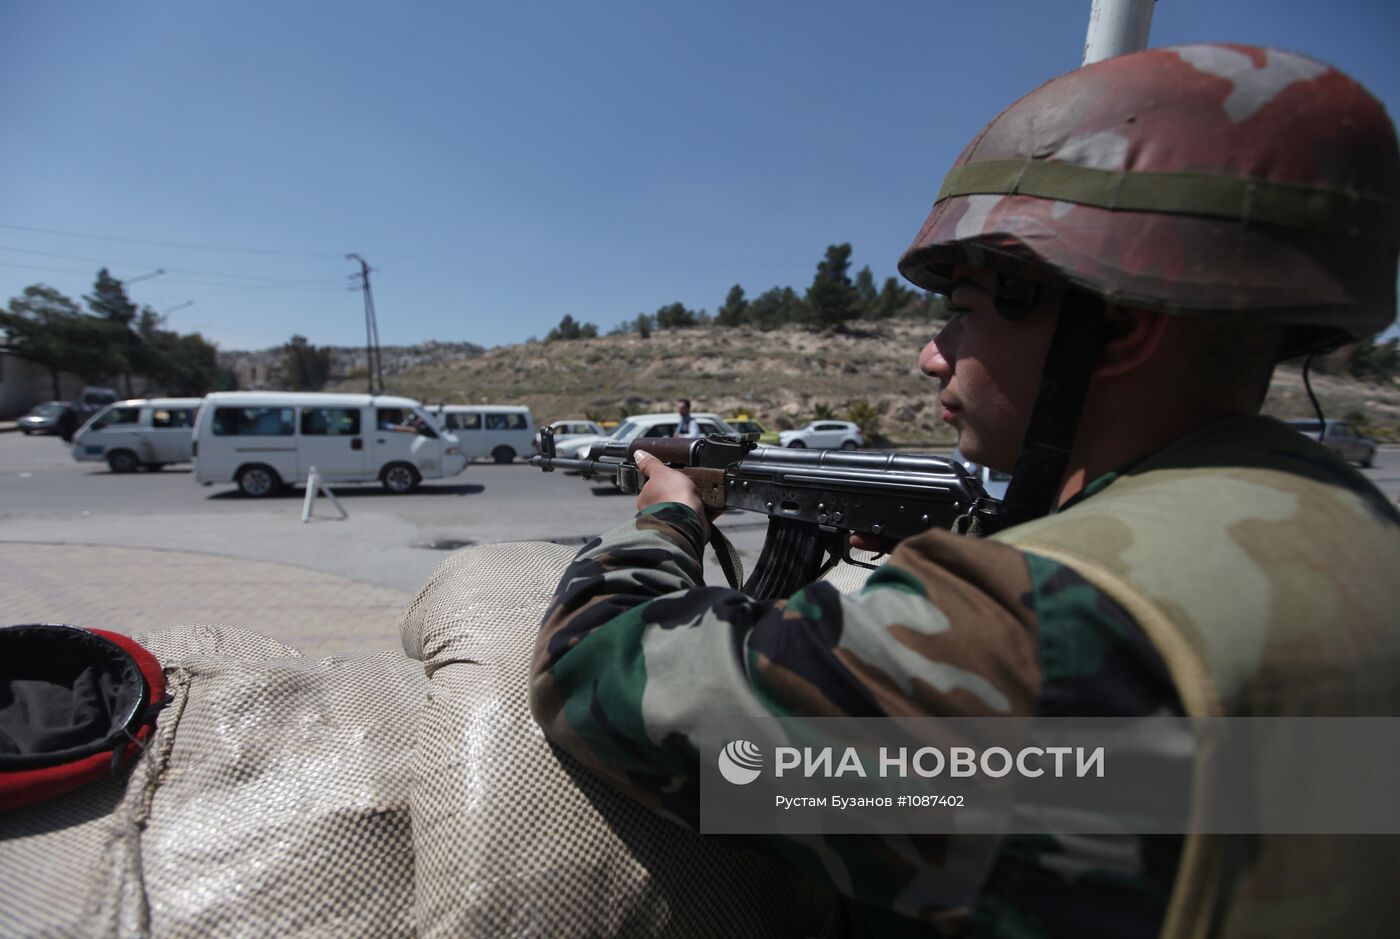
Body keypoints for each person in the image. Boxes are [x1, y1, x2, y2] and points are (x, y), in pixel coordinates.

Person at [529, 45, 1400, 936]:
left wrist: (665, 517)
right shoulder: (1356, 527)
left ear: (1122, 326)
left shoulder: (1036, 627)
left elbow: (592, 677)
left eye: (969, 307)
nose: (931, 352)